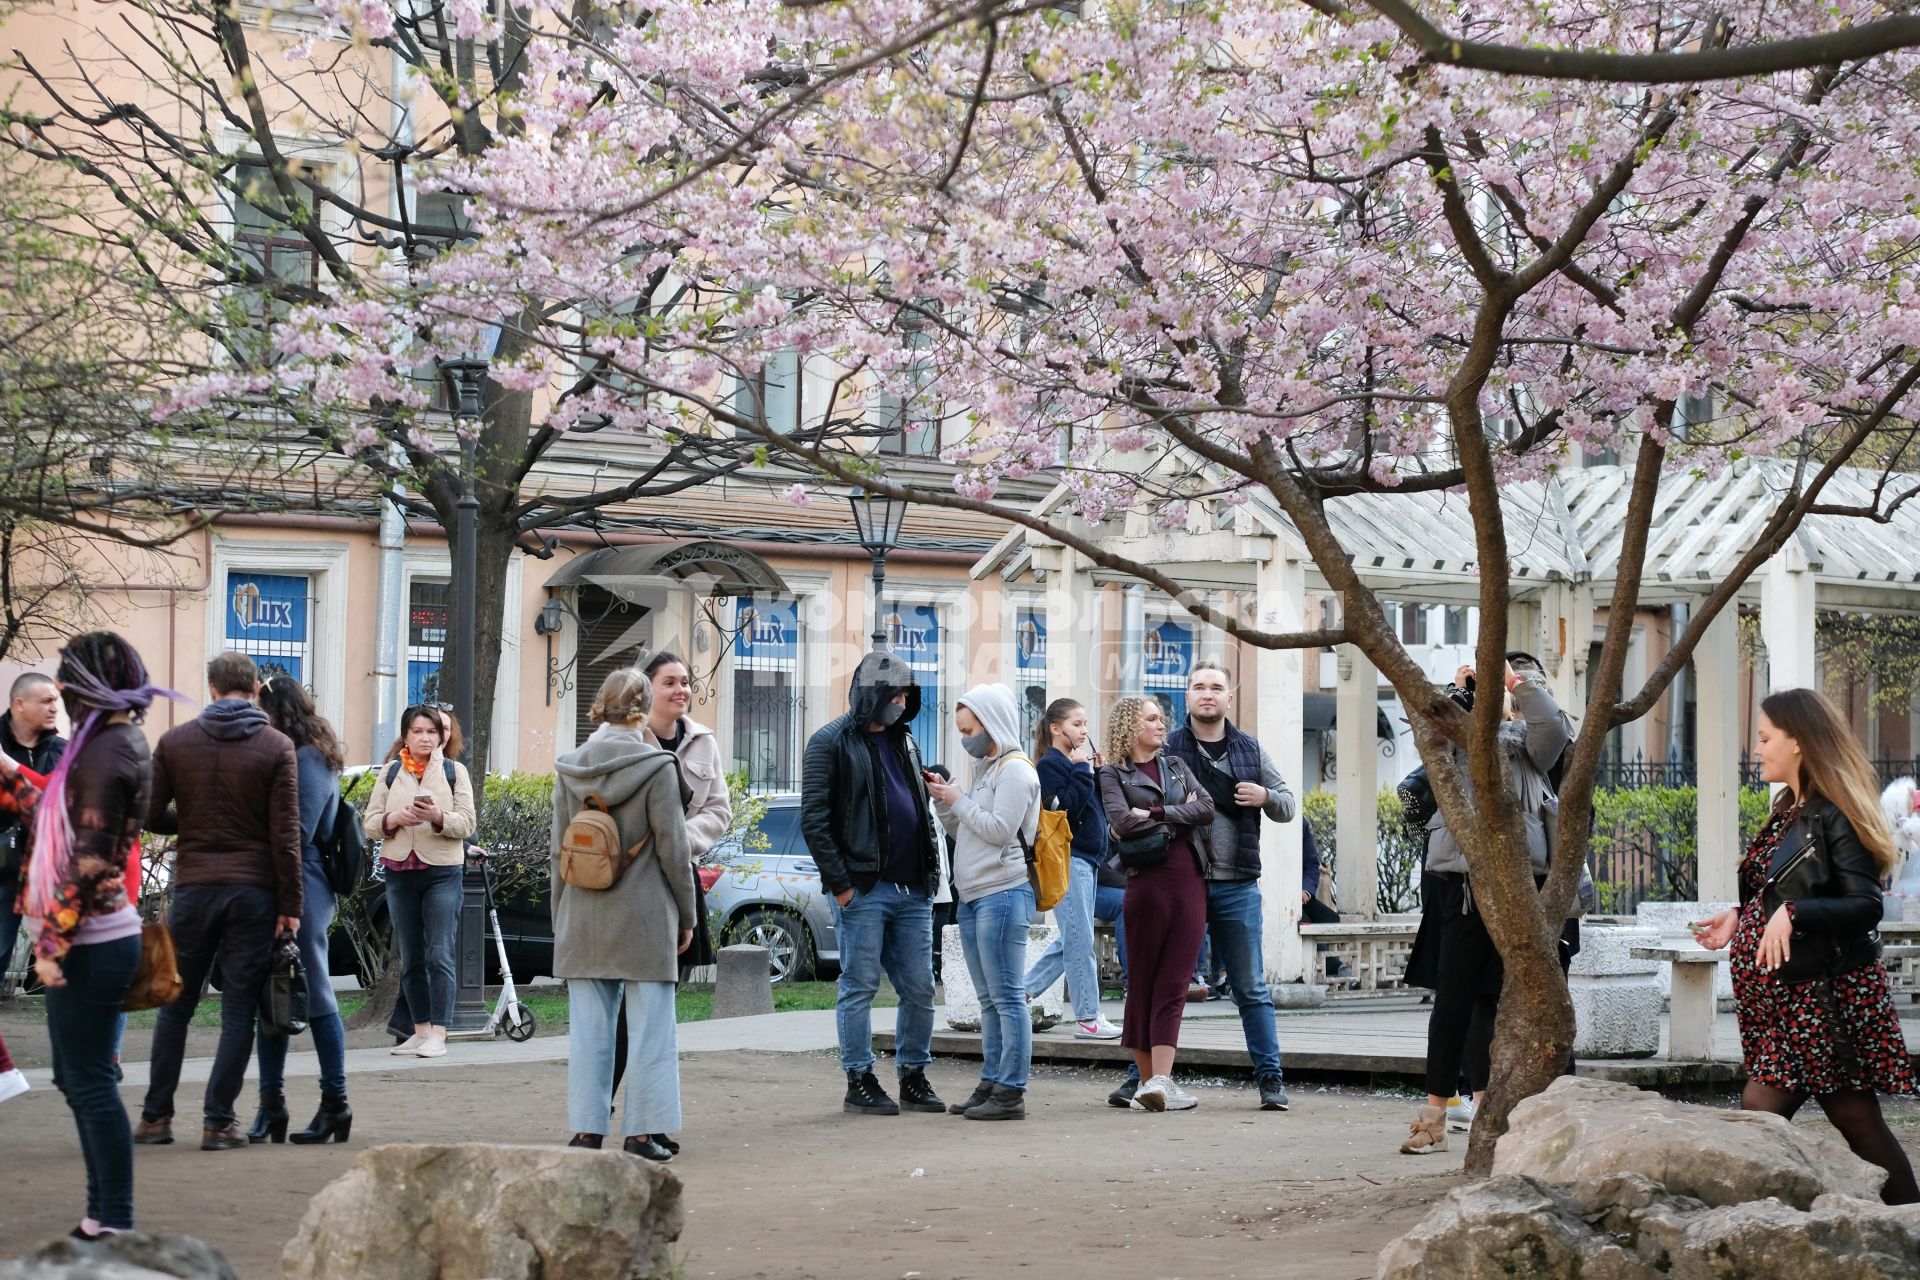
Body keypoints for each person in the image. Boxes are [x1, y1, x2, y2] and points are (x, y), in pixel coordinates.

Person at [1692, 688, 1919, 1204]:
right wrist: (1741, 914)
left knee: (1846, 1122)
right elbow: (1784, 887)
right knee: (1785, 1119)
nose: (1758, 749)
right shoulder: (1789, 810)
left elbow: (1864, 904)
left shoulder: (1832, 814)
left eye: (1766, 737)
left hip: (1823, 1004)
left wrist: (1792, 914)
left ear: (1800, 742)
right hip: (1785, 1006)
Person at [0, 633, 158, 1235]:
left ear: (92, 681)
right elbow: (52, 815)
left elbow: (89, 862)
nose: (60, 690)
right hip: (92, 935)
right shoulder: (109, 743)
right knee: (77, 1077)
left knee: (88, 1082)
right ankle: (103, 1216)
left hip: (89, 941)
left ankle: (110, 1218)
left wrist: (49, 946)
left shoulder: (106, 751)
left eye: (67, 678)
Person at [1400, 655, 1573, 1156]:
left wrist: (1513, 682)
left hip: (1525, 886)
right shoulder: (1458, 740)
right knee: (1453, 1001)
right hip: (1465, 887)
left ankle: (1513, 1110)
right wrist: (1464, 692)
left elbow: (1553, 729)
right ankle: (1434, 1114)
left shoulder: (1526, 747)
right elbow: (1432, 729)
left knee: (1521, 1002)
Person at [138, 652, 301, 1152]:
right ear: (254, 688)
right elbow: (285, 836)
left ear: (210, 689)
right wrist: (290, 904)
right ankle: (217, 1122)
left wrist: (190, 822)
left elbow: (148, 811)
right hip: (252, 891)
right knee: (238, 1012)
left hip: (192, 886)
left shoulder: (174, 741)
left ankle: (155, 1118)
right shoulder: (277, 746)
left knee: (175, 1004)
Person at [554, 668, 694, 1161]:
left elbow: (558, 852)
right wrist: (687, 914)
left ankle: (587, 1132)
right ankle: (640, 1133)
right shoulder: (658, 766)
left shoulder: (569, 767)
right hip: (644, 914)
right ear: (641, 709)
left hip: (582, 915)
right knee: (652, 1029)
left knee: (589, 1034)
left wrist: (560, 918)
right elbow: (674, 852)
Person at [800, 650, 946, 1118]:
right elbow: (815, 820)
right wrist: (842, 886)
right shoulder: (829, 741)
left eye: (907, 694)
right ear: (871, 694)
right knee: (859, 986)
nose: (902, 702)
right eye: (894, 693)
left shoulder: (906, 740)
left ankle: (913, 1076)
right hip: (862, 890)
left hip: (913, 890)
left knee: (921, 988)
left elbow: (914, 808)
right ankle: (858, 1080)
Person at [1164, 661, 1297, 1112]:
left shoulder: (1249, 749)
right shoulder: (1168, 748)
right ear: (1186, 695)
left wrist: (1265, 797)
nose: (1207, 694)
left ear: (1228, 697)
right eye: (1199, 687)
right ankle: (1143, 1078)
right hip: (1183, 882)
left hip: (1238, 884)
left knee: (1251, 987)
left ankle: (1270, 1080)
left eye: (1216, 687)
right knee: (1170, 984)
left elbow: (1288, 805)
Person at [614, 650, 730, 1156]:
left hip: (677, 878)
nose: (681, 690)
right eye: (669, 682)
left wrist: (678, 837)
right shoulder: (625, 739)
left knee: (661, 1012)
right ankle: (605, 1117)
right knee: (625, 1015)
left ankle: (650, 1118)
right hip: (631, 884)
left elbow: (719, 810)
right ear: (647, 689)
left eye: (685, 682)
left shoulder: (703, 741)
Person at [929, 685, 1042, 1121]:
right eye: (960, 730)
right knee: (989, 1000)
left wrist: (960, 800)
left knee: (1007, 997)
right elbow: (968, 831)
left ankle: (1011, 1090)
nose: (964, 738)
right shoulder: (984, 769)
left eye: (969, 729)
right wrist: (947, 805)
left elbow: (998, 830)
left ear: (991, 722)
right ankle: (992, 1080)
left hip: (1003, 891)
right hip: (974, 895)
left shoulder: (1016, 771)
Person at [246, 676, 351, 1146]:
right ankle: (272, 1106)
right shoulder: (297, 753)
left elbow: (299, 832)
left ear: (277, 711)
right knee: (274, 994)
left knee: (316, 990)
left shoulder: (308, 758)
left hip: (302, 884)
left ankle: (335, 1104)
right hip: (287, 881)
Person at [1099, 695, 1214, 1113]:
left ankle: (1159, 1083)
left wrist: (1157, 811)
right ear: (1131, 726)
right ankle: (1151, 1083)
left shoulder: (1178, 766)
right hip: (1145, 882)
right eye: (1152, 718)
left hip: (1189, 879)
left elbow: (1206, 809)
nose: (1161, 724)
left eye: (1162, 718)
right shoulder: (1112, 773)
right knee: (1143, 984)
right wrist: (1175, 812)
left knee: (1175, 983)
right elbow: (1121, 822)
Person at [362, 704, 476, 1060]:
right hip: (400, 872)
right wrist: (395, 818)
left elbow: (467, 824)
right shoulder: (392, 771)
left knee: (440, 952)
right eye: (417, 731)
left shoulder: (454, 771)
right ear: (406, 736)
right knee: (410, 955)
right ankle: (420, 1030)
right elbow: (370, 822)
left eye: (431, 731)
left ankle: (440, 1032)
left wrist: (438, 816)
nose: (425, 737)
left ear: (442, 736)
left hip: (442, 871)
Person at [1021, 698, 1120, 1040]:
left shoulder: (1077, 763)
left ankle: (1021, 993)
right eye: (1077, 724)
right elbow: (1066, 810)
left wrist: (1097, 773)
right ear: (1055, 728)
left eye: (1085, 725)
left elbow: (1096, 811)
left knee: (1073, 938)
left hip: (1087, 860)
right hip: (1067, 859)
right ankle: (1088, 1019)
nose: (1083, 731)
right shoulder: (1051, 765)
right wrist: (1081, 771)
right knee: (1080, 943)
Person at [0, 672, 67, 993]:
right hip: (3, 871)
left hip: (49, 874)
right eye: (46, 701)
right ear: (20, 704)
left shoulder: (64, 751)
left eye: (56, 700)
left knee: (61, 963)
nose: (55, 707)